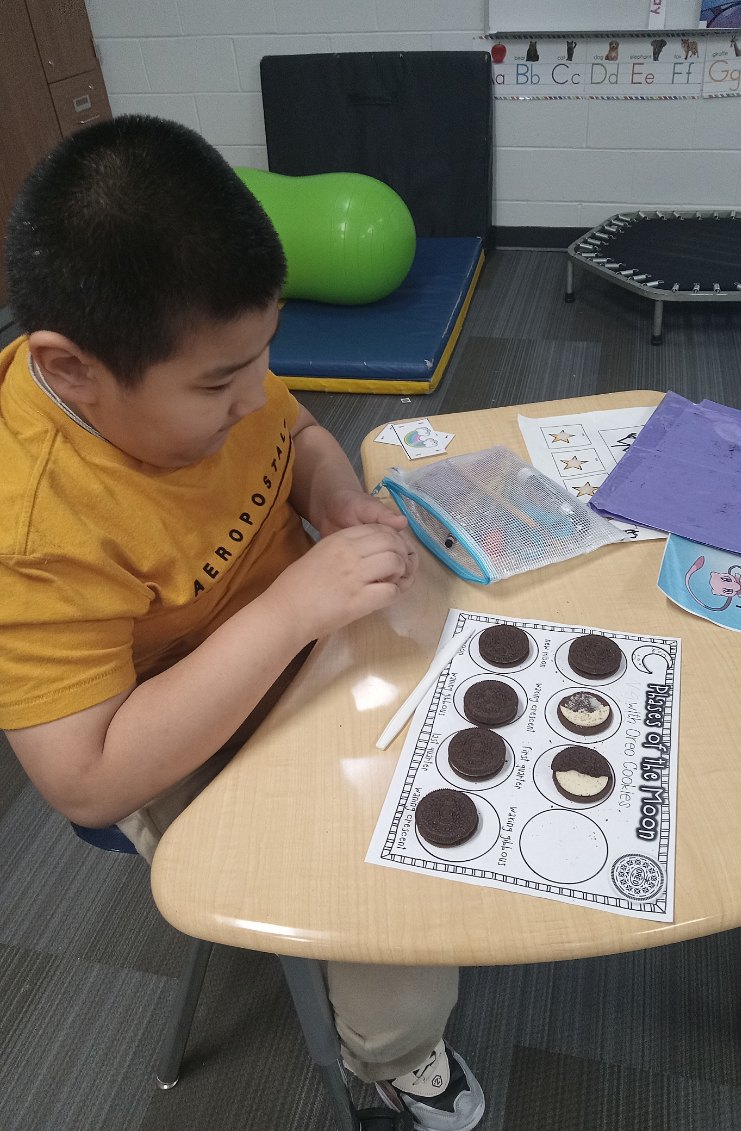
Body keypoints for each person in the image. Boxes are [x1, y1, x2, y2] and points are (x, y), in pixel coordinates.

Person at [0, 114, 484, 1131]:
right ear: (70, 367)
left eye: (264, 355)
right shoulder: (31, 522)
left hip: (296, 629)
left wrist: (337, 495)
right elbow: (86, 777)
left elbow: (296, 429)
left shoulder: (210, 358)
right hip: (166, 730)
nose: (254, 393)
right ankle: (393, 1062)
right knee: (384, 878)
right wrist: (288, 610)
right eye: (220, 383)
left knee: (484, 705)